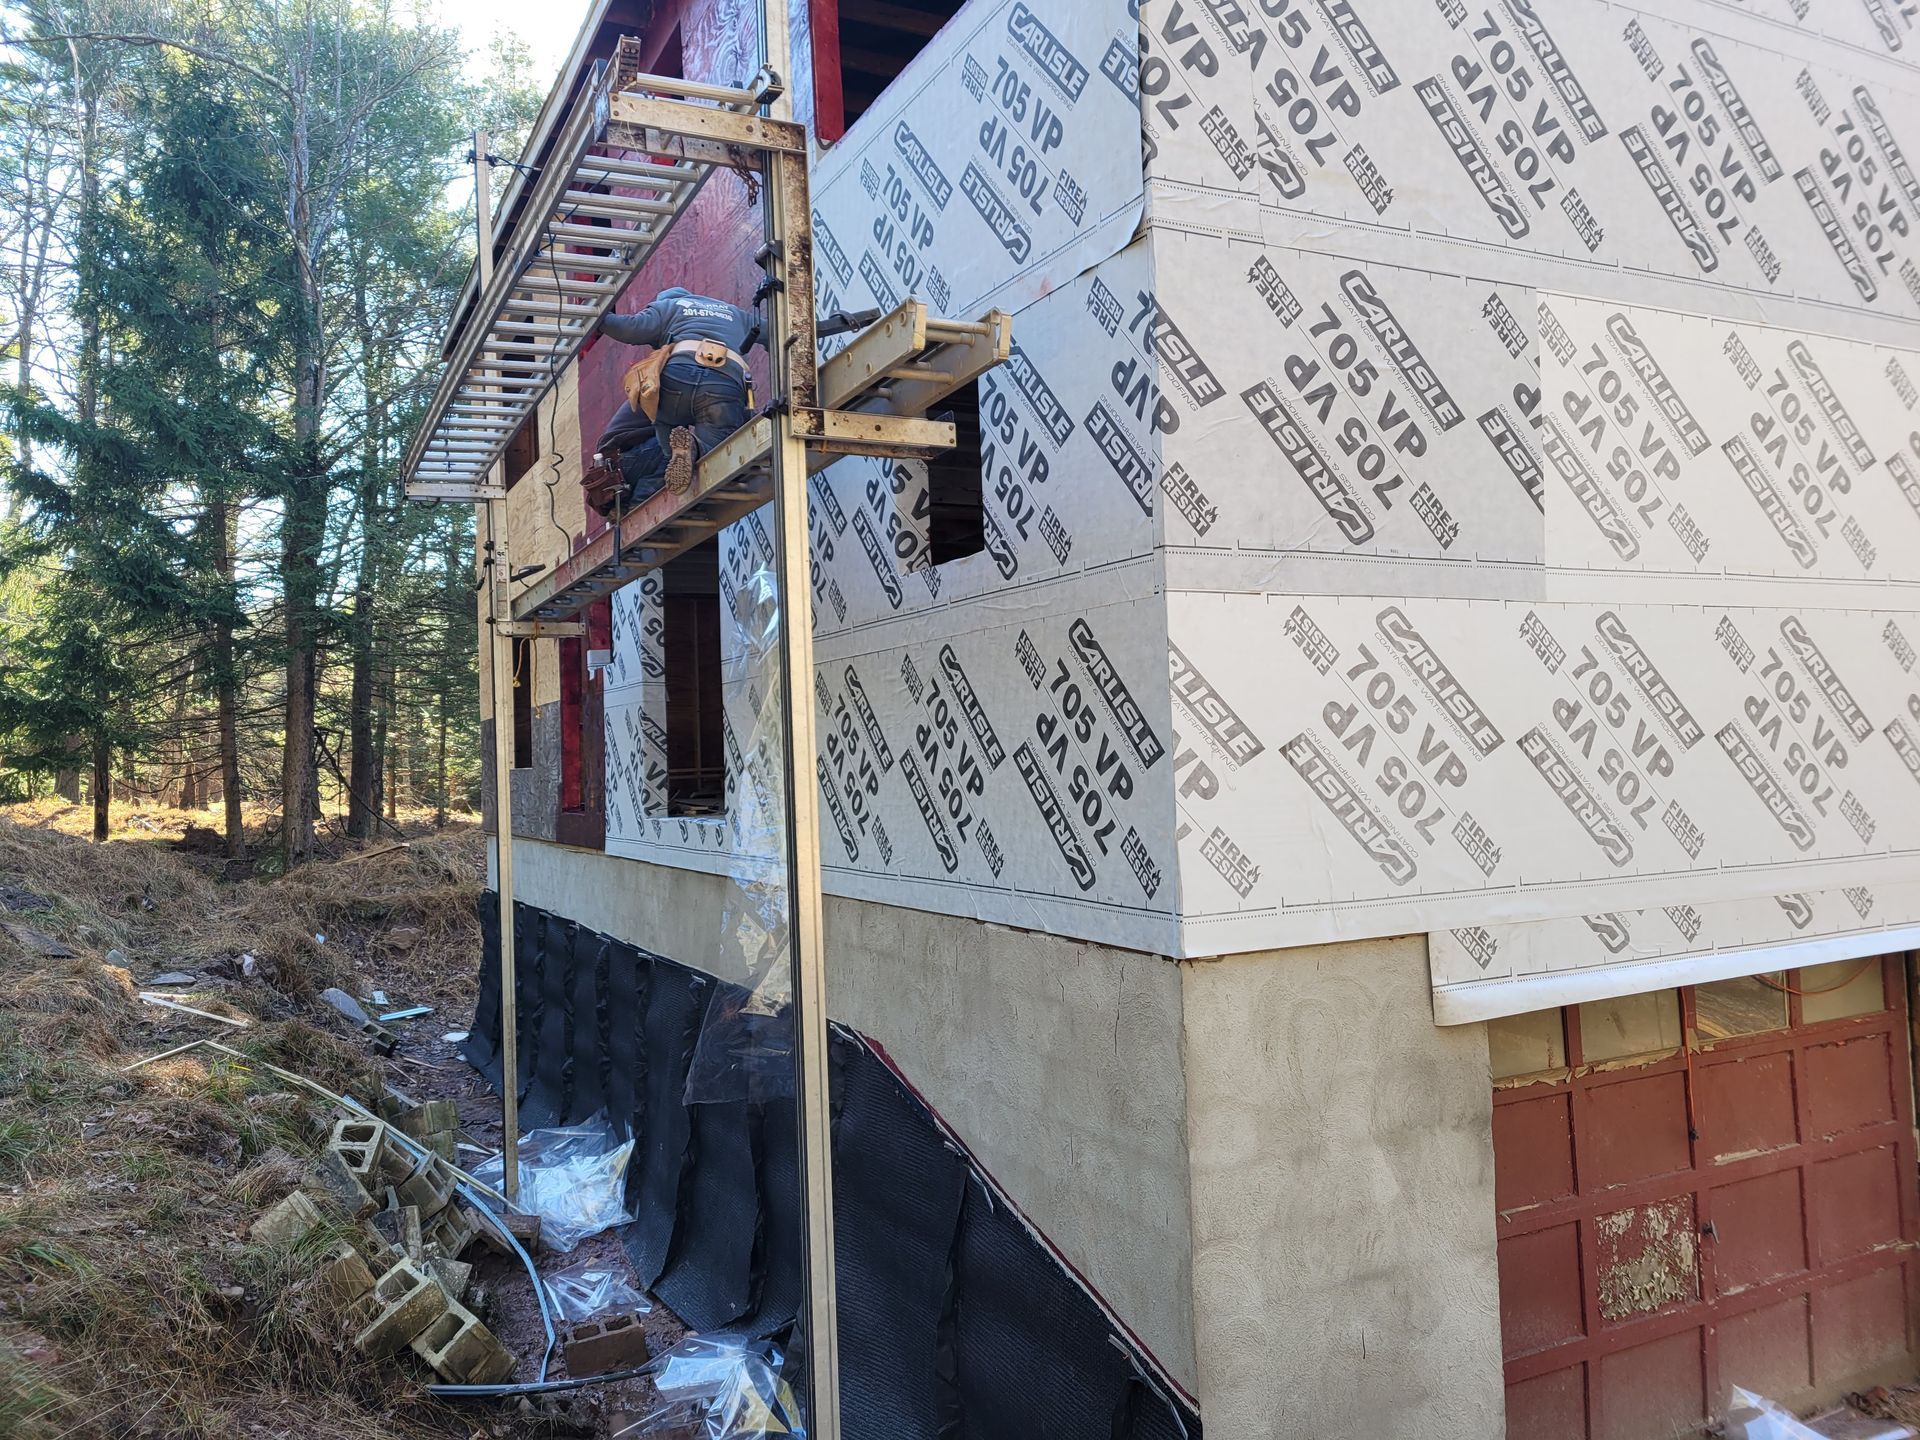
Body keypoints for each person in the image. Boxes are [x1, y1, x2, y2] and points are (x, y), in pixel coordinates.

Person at [589, 287, 761, 511]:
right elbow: (773, 330)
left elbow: (629, 328)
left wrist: (596, 314)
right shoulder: (736, 314)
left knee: (671, 435)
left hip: (620, 463)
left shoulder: (667, 312)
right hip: (724, 385)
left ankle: (638, 504)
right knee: (712, 451)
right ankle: (646, 497)